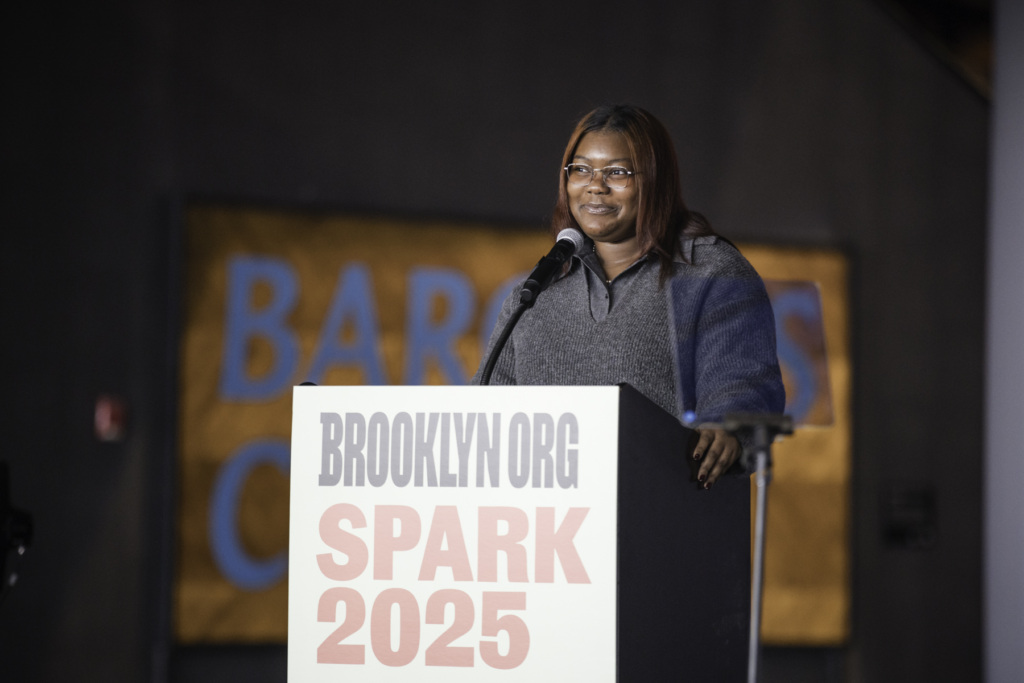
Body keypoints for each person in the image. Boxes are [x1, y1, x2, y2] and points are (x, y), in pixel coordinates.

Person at [474, 104, 784, 488]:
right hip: (544, 531)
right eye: (581, 169)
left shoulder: (711, 272)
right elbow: (483, 416)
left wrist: (725, 431)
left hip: (666, 516)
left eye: (618, 172)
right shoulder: (535, 293)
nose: (595, 185)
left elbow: (743, 387)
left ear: (656, 180)